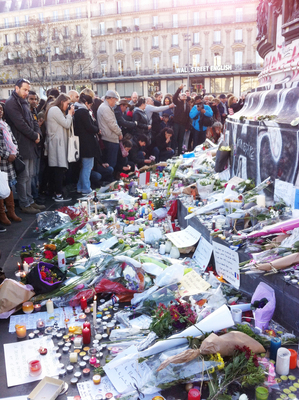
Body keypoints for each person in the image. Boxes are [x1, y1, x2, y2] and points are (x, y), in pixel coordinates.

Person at [5, 78, 42, 214]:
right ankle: (24, 203)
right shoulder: (11, 103)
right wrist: (34, 135)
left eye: (28, 89)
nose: (26, 92)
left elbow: (33, 120)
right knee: (24, 176)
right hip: (21, 143)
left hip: (30, 143)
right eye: (24, 89)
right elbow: (20, 124)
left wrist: (37, 134)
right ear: (16, 88)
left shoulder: (23, 102)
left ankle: (30, 200)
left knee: (31, 174)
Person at [45, 93, 74, 202]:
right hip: (57, 144)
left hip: (58, 143)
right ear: (62, 102)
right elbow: (66, 124)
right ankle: (58, 194)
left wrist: (69, 114)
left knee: (58, 169)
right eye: (67, 103)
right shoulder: (55, 110)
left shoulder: (55, 110)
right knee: (59, 169)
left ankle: (56, 193)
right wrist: (70, 114)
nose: (68, 106)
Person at [0, 102, 22, 225]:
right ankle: (2, 214)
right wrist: (8, 155)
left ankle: (11, 211)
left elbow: (13, 140)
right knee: (1, 187)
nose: (0, 111)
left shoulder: (5, 125)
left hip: (10, 161)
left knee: (9, 187)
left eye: (1, 109)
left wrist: (15, 152)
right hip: (2, 161)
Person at [73, 93, 99, 195]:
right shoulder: (83, 112)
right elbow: (89, 127)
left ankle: (80, 186)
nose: (90, 107)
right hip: (87, 143)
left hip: (82, 142)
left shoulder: (76, 110)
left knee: (85, 166)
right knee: (87, 167)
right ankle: (86, 188)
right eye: (90, 105)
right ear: (86, 103)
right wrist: (97, 129)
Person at [97, 90, 123, 168]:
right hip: (110, 138)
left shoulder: (104, 107)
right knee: (111, 163)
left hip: (108, 137)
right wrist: (120, 133)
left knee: (110, 162)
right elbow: (112, 124)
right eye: (115, 100)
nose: (115, 103)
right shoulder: (106, 108)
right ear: (111, 98)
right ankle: (110, 179)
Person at [28, 90, 44, 205]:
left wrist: (38, 129)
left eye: (35, 99)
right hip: (30, 146)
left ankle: (35, 195)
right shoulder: (25, 111)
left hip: (37, 145)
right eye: (31, 99)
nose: (34, 101)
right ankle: (33, 196)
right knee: (31, 174)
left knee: (36, 173)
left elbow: (35, 127)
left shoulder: (34, 111)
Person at [172, 84, 190, 155]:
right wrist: (179, 89)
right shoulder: (178, 102)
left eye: (185, 95)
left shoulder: (188, 105)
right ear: (179, 97)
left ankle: (179, 153)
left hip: (183, 125)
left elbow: (188, 116)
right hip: (176, 123)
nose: (184, 96)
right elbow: (174, 97)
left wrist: (187, 126)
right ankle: (173, 153)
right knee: (175, 138)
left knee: (181, 139)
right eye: (182, 95)